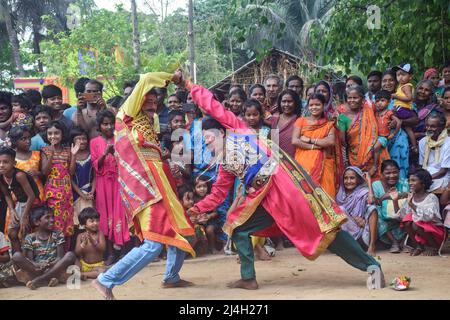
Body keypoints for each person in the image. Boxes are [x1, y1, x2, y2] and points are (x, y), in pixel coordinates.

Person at [181, 71, 385, 290]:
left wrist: (186, 83)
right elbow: (218, 194)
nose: (208, 142)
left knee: (325, 229)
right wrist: (196, 209)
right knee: (238, 228)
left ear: (220, 131)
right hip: (268, 200)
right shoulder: (225, 167)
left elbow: (212, 106)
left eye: (209, 137)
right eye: (204, 140)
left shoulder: (238, 129)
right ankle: (248, 277)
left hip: (287, 188)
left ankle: (372, 266)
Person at [92, 72, 195, 300]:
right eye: (146, 100)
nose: (152, 104)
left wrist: (167, 164)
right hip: (145, 188)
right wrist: (172, 77)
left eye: (155, 101)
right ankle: (106, 280)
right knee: (153, 244)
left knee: (181, 230)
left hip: (161, 183)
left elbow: (150, 154)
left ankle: (171, 277)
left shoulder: (151, 121)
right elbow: (147, 78)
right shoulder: (126, 115)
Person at [90, 110, 130, 264]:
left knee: (121, 215)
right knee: (105, 217)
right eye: (104, 124)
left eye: (110, 123)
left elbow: (128, 162)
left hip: (120, 182)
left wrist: (116, 154)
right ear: (99, 126)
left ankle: (124, 251)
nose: (108, 126)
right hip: (103, 184)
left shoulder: (120, 139)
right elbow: (95, 165)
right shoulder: (94, 142)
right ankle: (111, 253)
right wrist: (105, 153)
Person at [12, 206, 76, 290]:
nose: (52, 220)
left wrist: (50, 264)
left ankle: (39, 280)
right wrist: (39, 265)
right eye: (47, 217)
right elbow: (30, 260)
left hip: (54, 266)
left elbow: (60, 257)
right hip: (37, 268)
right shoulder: (30, 237)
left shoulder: (57, 234)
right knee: (16, 256)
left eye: (53, 217)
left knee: (70, 255)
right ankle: (50, 278)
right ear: (37, 222)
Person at [292, 93, 342, 197]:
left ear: (324, 105)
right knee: (304, 194)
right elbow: (295, 141)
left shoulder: (329, 124)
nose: (314, 107)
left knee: (325, 194)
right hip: (303, 162)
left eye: (317, 105)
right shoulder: (301, 121)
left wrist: (309, 140)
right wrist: (316, 146)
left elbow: (330, 142)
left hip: (324, 164)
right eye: (311, 105)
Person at [337, 86, 389, 177]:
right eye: (349, 98)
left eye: (355, 98)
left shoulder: (370, 110)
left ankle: (375, 167)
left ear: (362, 99)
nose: (352, 100)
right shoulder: (342, 117)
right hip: (354, 155)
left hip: (374, 154)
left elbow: (384, 116)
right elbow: (342, 141)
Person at [41, 120, 78, 245]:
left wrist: (73, 155)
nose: (53, 136)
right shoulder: (44, 150)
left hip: (66, 192)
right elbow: (45, 172)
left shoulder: (68, 150)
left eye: (56, 133)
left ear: (62, 134)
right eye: (50, 133)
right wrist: (51, 155)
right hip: (52, 191)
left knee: (67, 219)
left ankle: (65, 251)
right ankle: (55, 250)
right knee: (54, 220)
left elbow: (71, 172)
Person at [0, 147, 40, 253]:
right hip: (20, 203)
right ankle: (18, 261)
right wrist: (12, 210)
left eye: (5, 162)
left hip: (32, 204)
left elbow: (31, 196)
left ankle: (29, 260)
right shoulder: (1, 176)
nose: (1, 165)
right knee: (12, 233)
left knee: (25, 231)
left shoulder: (19, 175)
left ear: (14, 163)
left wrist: (24, 216)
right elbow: (7, 195)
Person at [400, 169, 445, 256]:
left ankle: (434, 247)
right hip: (421, 233)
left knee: (416, 223)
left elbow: (428, 217)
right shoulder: (411, 196)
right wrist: (395, 201)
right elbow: (402, 216)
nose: (410, 183)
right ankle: (418, 247)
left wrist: (412, 205)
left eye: (413, 180)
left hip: (435, 232)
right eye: (409, 180)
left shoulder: (431, 197)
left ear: (423, 183)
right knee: (407, 220)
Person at [336, 167, 378, 256]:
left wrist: (369, 182)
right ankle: (345, 245)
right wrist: (354, 218)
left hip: (362, 233)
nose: (348, 181)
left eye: (352, 178)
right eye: (346, 178)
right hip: (348, 232)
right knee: (340, 210)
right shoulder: (340, 196)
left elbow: (371, 200)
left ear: (358, 179)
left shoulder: (364, 192)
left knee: (372, 208)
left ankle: (372, 246)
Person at [381, 70, 411, 179]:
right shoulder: (377, 99)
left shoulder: (403, 97)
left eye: (391, 80)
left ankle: (402, 190)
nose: (387, 83)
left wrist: (399, 121)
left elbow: (415, 118)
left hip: (399, 138)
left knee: (399, 168)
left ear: (396, 81)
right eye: (384, 81)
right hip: (382, 139)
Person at [372, 160, 407, 253]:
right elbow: (375, 202)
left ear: (399, 172)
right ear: (381, 174)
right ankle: (394, 242)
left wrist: (389, 197)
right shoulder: (376, 185)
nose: (392, 176)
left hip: (401, 218)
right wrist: (384, 197)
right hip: (385, 224)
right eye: (388, 173)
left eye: (395, 172)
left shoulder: (404, 183)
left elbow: (409, 196)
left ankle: (404, 242)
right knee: (375, 211)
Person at [8, 126, 44, 202]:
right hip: (19, 197)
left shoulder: (37, 154)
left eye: (29, 138)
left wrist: (37, 173)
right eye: (23, 139)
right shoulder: (10, 158)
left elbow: (44, 173)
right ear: (14, 141)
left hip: (38, 193)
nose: (28, 141)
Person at [419, 111, 450, 193]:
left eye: (433, 126)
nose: (429, 129)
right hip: (426, 177)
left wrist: (424, 180)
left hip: (442, 178)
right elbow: (422, 166)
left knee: (421, 188)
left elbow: (443, 171)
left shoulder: (448, 143)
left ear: (442, 127)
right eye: (427, 126)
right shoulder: (423, 142)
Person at [193, 175, 225, 254]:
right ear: (194, 189)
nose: (202, 189)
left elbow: (215, 212)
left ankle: (212, 247)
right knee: (197, 230)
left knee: (209, 230)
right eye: (199, 187)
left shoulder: (210, 198)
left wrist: (208, 216)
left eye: (204, 186)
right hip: (198, 222)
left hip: (210, 221)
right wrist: (197, 218)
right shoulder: (193, 199)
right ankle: (201, 249)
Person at [70, 127, 95, 227]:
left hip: (89, 193)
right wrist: (73, 155)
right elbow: (70, 175)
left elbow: (95, 176)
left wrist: (92, 191)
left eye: (84, 139)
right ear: (73, 140)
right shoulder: (70, 154)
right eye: (78, 139)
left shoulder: (91, 154)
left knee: (91, 221)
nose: (82, 141)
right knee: (78, 221)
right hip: (76, 194)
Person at [391, 63, 418, 154]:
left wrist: (396, 96)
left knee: (391, 116)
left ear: (410, 76)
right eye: (398, 75)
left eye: (403, 74)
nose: (400, 77)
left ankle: (393, 134)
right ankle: (414, 146)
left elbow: (409, 98)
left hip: (403, 110)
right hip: (403, 109)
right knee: (408, 129)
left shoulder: (406, 86)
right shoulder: (401, 86)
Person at [74, 207, 107, 279]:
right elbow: (77, 252)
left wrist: (92, 241)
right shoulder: (80, 236)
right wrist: (83, 244)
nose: (95, 223)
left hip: (97, 266)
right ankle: (84, 274)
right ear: (84, 224)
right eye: (92, 221)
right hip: (84, 265)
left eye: (97, 220)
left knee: (103, 272)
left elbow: (102, 248)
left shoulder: (99, 234)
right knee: (76, 260)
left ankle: (82, 274)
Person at [373, 90, 401, 170]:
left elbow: (398, 122)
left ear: (388, 102)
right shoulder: (376, 113)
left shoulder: (388, 113)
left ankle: (375, 166)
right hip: (376, 137)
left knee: (376, 147)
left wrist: (393, 134)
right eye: (377, 101)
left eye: (382, 100)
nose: (379, 103)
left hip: (384, 137)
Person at [270, 89, 300, 158]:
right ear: (280, 103)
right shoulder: (274, 120)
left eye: (290, 102)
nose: (286, 104)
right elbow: (270, 143)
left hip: (293, 162)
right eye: (284, 101)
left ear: (295, 103)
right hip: (275, 160)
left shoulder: (300, 121)